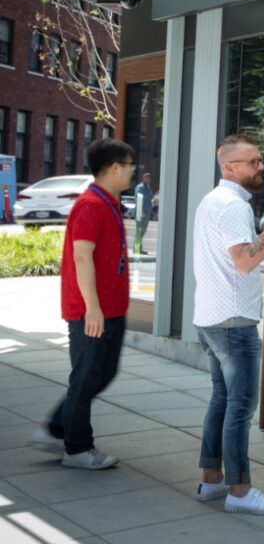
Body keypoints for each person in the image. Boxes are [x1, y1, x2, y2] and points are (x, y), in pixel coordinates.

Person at [192, 133, 264, 515]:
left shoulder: (212, 201)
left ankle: (211, 479)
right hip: (233, 321)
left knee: (222, 400)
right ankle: (239, 490)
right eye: (253, 162)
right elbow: (244, 261)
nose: (260, 167)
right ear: (228, 167)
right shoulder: (232, 206)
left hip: (212, 316)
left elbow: (237, 254)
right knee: (240, 406)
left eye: (260, 160)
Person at [28, 139, 136, 469]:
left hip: (109, 308)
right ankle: (76, 448)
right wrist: (92, 307)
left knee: (101, 374)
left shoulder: (108, 202)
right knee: (87, 377)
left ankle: (57, 428)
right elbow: (81, 256)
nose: (133, 172)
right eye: (130, 166)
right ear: (115, 167)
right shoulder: (91, 204)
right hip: (92, 311)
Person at [133, 172, 154, 254]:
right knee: (140, 231)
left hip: (147, 212)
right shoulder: (140, 187)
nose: (148, 179)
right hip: (141, 213)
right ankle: (137, 249)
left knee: (143, 231)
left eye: (149, 178)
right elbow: (137, 199)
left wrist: (154, 200)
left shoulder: (148, 188)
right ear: (143, 178)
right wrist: (141, 211)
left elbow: (149, 199)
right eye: (146, 177)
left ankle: (138, 248)